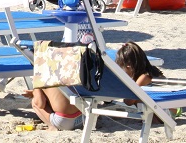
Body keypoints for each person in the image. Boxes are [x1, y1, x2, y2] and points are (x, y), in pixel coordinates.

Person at [26, 41, 162, 131]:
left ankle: (52, 127)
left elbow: (40, 103)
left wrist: (35, 90)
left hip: (162, 112)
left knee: (35, 102)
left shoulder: (145, 76)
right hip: (84, 117)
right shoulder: (68, 74)